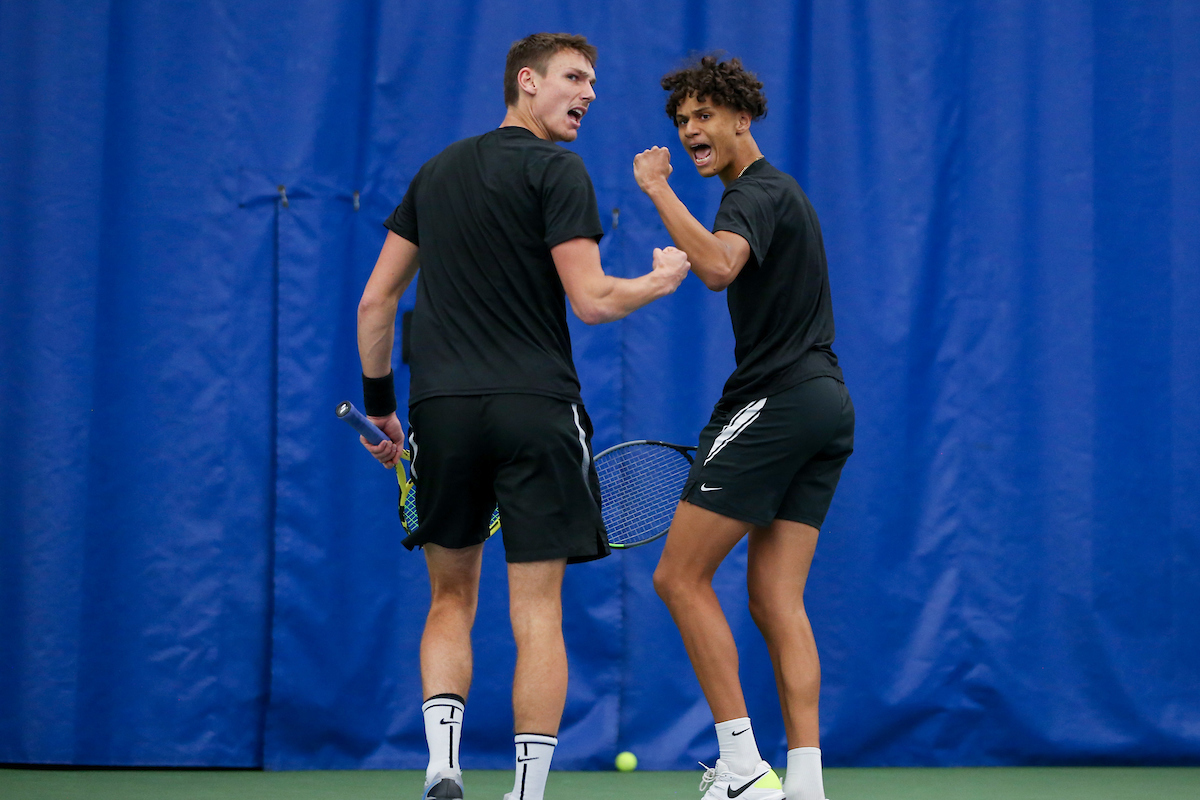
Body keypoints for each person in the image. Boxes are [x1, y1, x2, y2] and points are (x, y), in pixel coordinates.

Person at [357, 32, 689, 800]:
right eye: (576, 78)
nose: (592, 94)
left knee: (450, 598)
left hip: (440, 411)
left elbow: (377, 303)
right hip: (537, 411)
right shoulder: (557, 169)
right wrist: (661, 280)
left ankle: (442, 768)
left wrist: (384, 411)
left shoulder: (434, 173)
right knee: (536, 610)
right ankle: (527, 792)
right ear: (527, 83)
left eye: (595, 82)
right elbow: (595, 300)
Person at [632, 55, 853, 800]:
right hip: (825, 403)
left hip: (778, 399)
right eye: (683, 120)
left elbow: (721, 267)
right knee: (774, 599)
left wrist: (660, 190)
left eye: (704, 116)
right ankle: (806, 783)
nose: (692, 130)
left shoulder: (751, 193)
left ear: (741, 119)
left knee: (677, 575)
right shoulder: (776, 192)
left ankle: (741, 767)